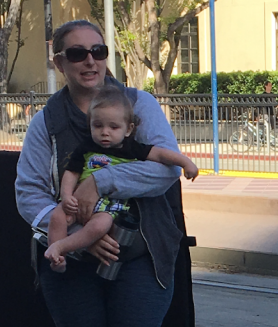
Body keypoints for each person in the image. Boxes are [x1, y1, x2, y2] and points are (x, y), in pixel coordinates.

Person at [15, 19, 186, 327]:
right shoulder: (46, 121)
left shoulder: (138, 105)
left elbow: (163, 171)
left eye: (98, 50)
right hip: (72, 257)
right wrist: (79, 236)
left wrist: (102, 185)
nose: (89, 60)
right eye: (76, 54)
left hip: (142, 253)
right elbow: (29, 192)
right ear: (60, 63)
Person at [45, 85, 198, 272]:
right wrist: (67, 195)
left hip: (108, 205)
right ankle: (57, 258)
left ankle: (63, 247)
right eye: (98, 126)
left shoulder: (130, 148)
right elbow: (72, 172)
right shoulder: (86, 147)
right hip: (78, 200)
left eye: (113, 127)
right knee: (58, 216)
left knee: (100, 225)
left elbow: (160, 155)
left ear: (128, 129)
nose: (105, 132)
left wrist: (185, 163)